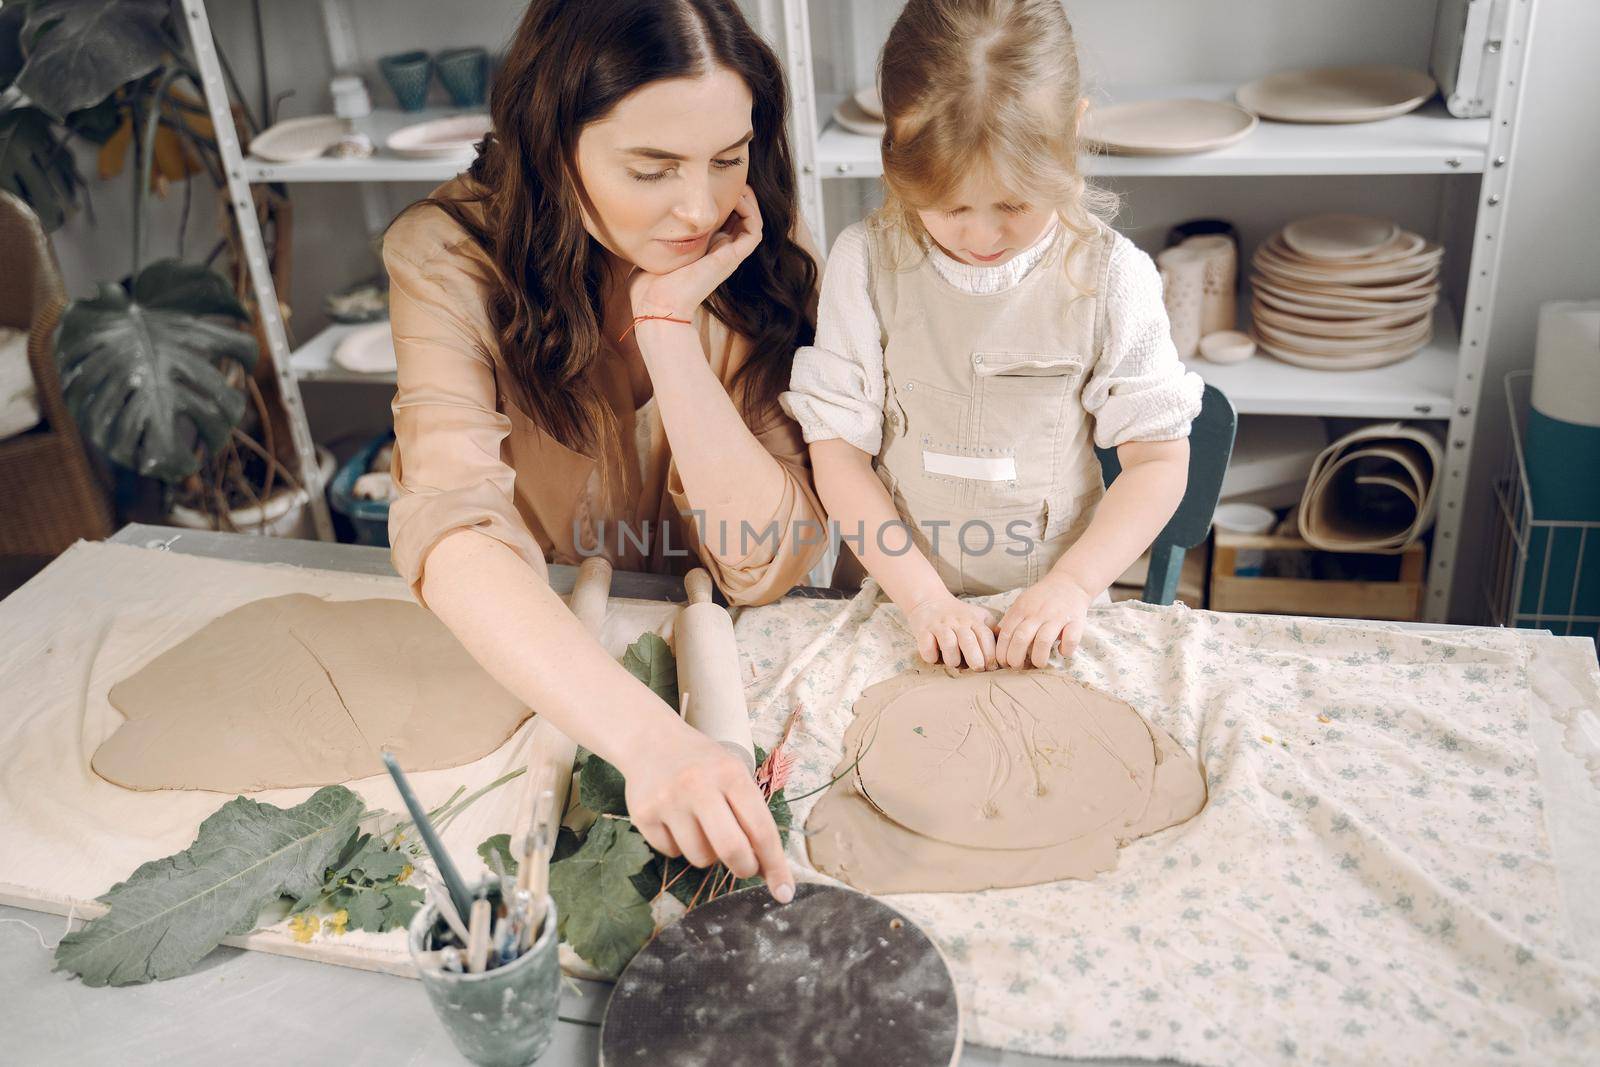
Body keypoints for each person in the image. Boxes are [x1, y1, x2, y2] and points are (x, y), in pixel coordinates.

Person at [382, 0, 825, 902]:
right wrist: (652, 741)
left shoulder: (749, 245)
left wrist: (667, 329)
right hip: (548, 644)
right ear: (552, 148)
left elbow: (765, 562)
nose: (699, 206)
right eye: (651, 169)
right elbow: (452, 523)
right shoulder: (447, 257)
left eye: (727, 159)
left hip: (731, 646)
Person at [782, 0, 1203, 673]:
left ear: (1072, 133)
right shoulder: (865, 263)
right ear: (896, 153)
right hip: (895, 600)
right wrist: (923, 601)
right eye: (950, 206)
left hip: (1051, 609)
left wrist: (1072, 585)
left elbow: (1157, 463)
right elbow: (839, 458)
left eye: (1013, 205)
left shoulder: (1111, 276)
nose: (981, 237)